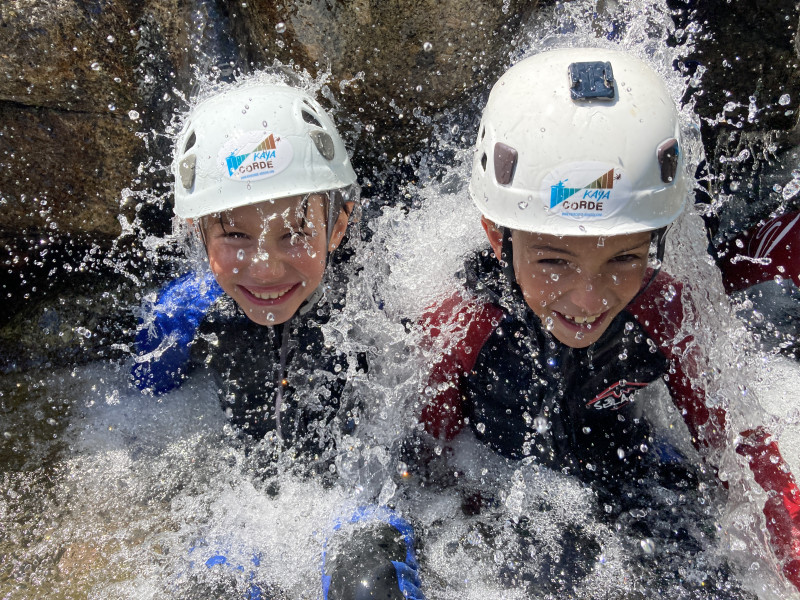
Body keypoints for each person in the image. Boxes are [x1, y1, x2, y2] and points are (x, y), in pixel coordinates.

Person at [415, 48, 800, 593]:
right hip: (501, 497)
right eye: (553, 260)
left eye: (624, 258)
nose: (588, 297)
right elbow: (424, 473)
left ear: (657, 240)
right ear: (493, 234)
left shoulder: (666, 312)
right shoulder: (459, 327)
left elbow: (743, 457)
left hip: (631, 477)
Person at [130, 82, 421, 599]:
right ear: (198, 232)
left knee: (370, 582)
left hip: (357, 504)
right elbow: (146, 395)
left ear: (339, 225)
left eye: (294, 233)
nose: (264, 267)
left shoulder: (376, 303)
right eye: (235, 235)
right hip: (241, 515)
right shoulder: (185, 311)